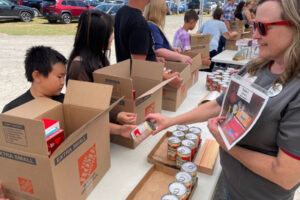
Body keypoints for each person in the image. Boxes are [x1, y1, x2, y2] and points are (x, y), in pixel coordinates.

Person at [146, 0, 300, 199]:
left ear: (295, 26)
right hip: (231, 184)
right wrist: (170, 121)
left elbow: (285, 175)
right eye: (254, 25)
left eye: (262, 27)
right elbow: (220, 105)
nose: (254, 35)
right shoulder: (258, 65)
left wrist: (227, 145)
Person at [67, 10, 137, 138]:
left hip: (105, 126)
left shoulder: (100, 58)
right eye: (109, 33)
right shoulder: (79, 68)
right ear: (97, 37)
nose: (113, 37)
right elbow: (83, 111)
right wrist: (116, 117)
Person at [114, 0, 183, 89]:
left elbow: (129, 52)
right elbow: (140, 67)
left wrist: (153, 59)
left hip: (127, 80)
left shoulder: (121, 12)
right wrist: (168, 79)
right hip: (141, 88)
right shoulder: (139, 23)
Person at [2, 46, 66, 113]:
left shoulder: (66, 103)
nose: (62, 82)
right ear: (37, 76)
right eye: (59, 77)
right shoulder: (12, 110)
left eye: (64, 77)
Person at [144, 0, 193, 65]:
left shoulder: (151, 25)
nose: (166, 10)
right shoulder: (152, 26)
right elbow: (158, 50)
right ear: (160, 10)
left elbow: (156, 46)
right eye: (164, 7)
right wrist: (181, 57)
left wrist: (171, 48)